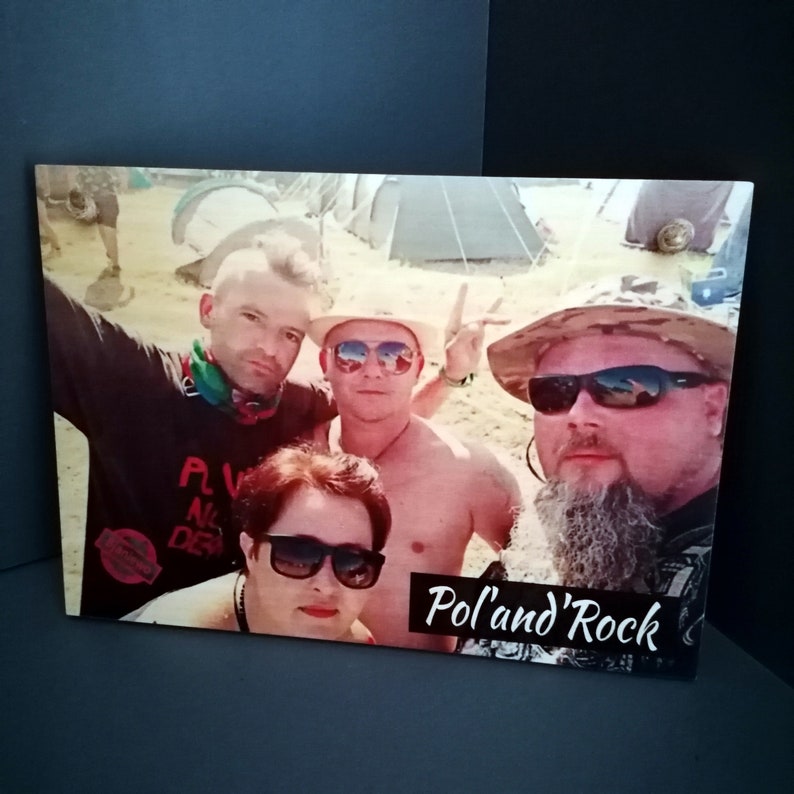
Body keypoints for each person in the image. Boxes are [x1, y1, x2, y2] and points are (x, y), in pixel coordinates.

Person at [45, 233, 486, 619]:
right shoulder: (130, 379)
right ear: (208, 309)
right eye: (252, 317)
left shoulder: (298, 404)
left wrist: (449, 377)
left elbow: (377, 411)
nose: (268, 347)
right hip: (130, 639)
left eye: (290, 334)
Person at [467, 276, 736, 675]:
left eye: (625, 387)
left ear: (713, 409)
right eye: (554, 393)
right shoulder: (553, 529)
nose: (577, 416)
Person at [308, 296, 522, 652]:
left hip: (418, 691)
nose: (373, 370)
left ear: (418, 367)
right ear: (325, 363)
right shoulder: (295, 455)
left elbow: (544, 570)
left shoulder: (468, 470)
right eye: (351, 353)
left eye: (395, 356)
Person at [127, 446, 391, 644]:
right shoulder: (175, 638)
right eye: (297, 555)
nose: (326, 585)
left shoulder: (357, 647)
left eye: (353, 563)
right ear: (249, 551)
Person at [70, 166, 122, 277]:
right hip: (93, 200)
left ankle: (115, 264)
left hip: (107, 197)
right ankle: (111, 254)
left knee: (108, 231)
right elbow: (77, 181)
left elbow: (117, 175)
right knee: (103, 231)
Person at [35, 165, 61, 260]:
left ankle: (56, 248)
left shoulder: (40, 168)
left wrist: (46, 192)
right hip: (39, 192)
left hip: (38, 193)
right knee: (43, 223)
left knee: (44, 222)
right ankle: (54, 247)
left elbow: (43, 176)